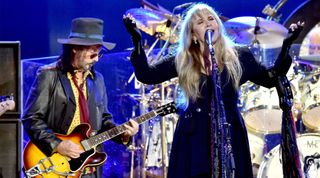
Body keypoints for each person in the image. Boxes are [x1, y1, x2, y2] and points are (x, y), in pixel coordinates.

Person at [123, 3, 303, 178]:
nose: (208, 23)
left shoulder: (240, 56)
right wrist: (136, 40)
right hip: (193, 138)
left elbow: (271, 79)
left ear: (218, 24)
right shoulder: (183, 60)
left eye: (211, 19)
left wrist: (286, 45)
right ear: (193, 34)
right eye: (200, 22)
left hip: (229, 135)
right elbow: (146, 75)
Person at [22, 17, 139, 178]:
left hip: (90, 168)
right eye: (92, 54)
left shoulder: (97, 80)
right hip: (57, 164)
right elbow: (31, 118)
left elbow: (103, 120)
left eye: (99, 54)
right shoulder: (49, 75)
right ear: (76, 48)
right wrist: (57, 145)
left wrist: (123, 134)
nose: (96, 59)